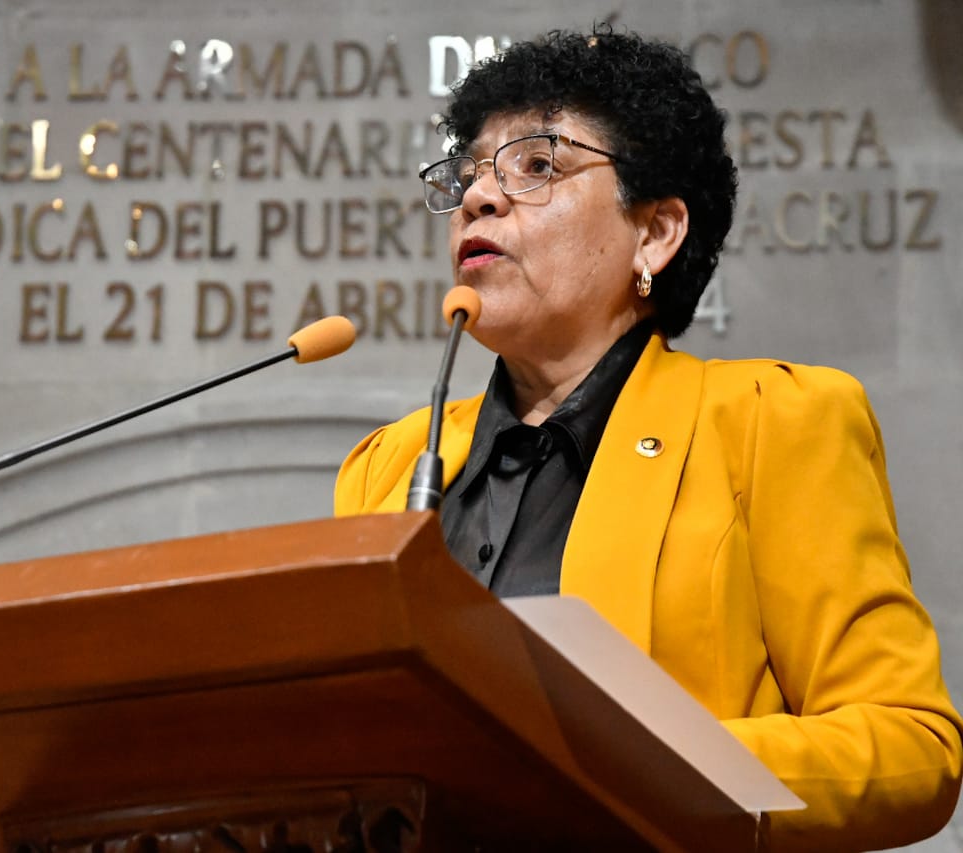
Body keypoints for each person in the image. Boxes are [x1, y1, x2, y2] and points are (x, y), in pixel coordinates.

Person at [334, 26, 962, 852]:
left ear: (656, 233)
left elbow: (913, 746)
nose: (480, 196)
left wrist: (642, 763)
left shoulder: (770, 420)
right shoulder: (390, 468)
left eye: (536, 165)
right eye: (471, 172)